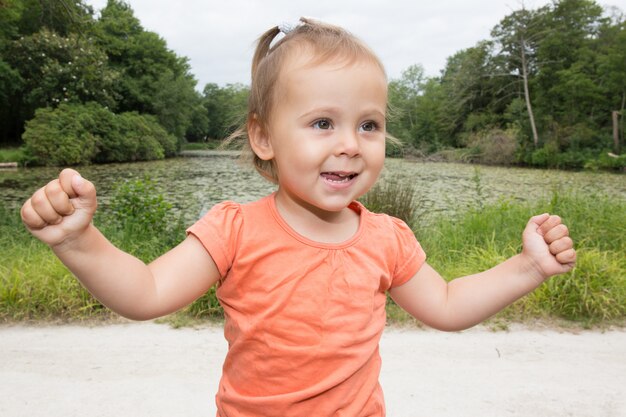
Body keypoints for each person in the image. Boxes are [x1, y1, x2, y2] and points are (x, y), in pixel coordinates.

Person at [21, 17, 576, 417]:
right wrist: (79, 242)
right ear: (263, 136)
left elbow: (449, 305)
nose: (351, 145)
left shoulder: (387, 238)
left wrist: (527, 267)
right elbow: (144, 293)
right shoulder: (234, 230)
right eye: (322, 124)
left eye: (369, 125)